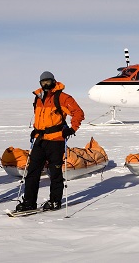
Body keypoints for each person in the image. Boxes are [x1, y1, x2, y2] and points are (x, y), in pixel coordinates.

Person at [16, 71, 85, 212]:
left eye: (48, 81)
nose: (46, 84)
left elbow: (78, 113)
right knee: (32, 172)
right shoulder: (38, 97)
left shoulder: (63, 97)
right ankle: (29, 202)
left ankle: (55, 201)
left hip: (56, 140)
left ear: (54, 81)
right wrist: (36, 130)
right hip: (40, 140)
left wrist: (72, 129)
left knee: (55, 172)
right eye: (43, 82)